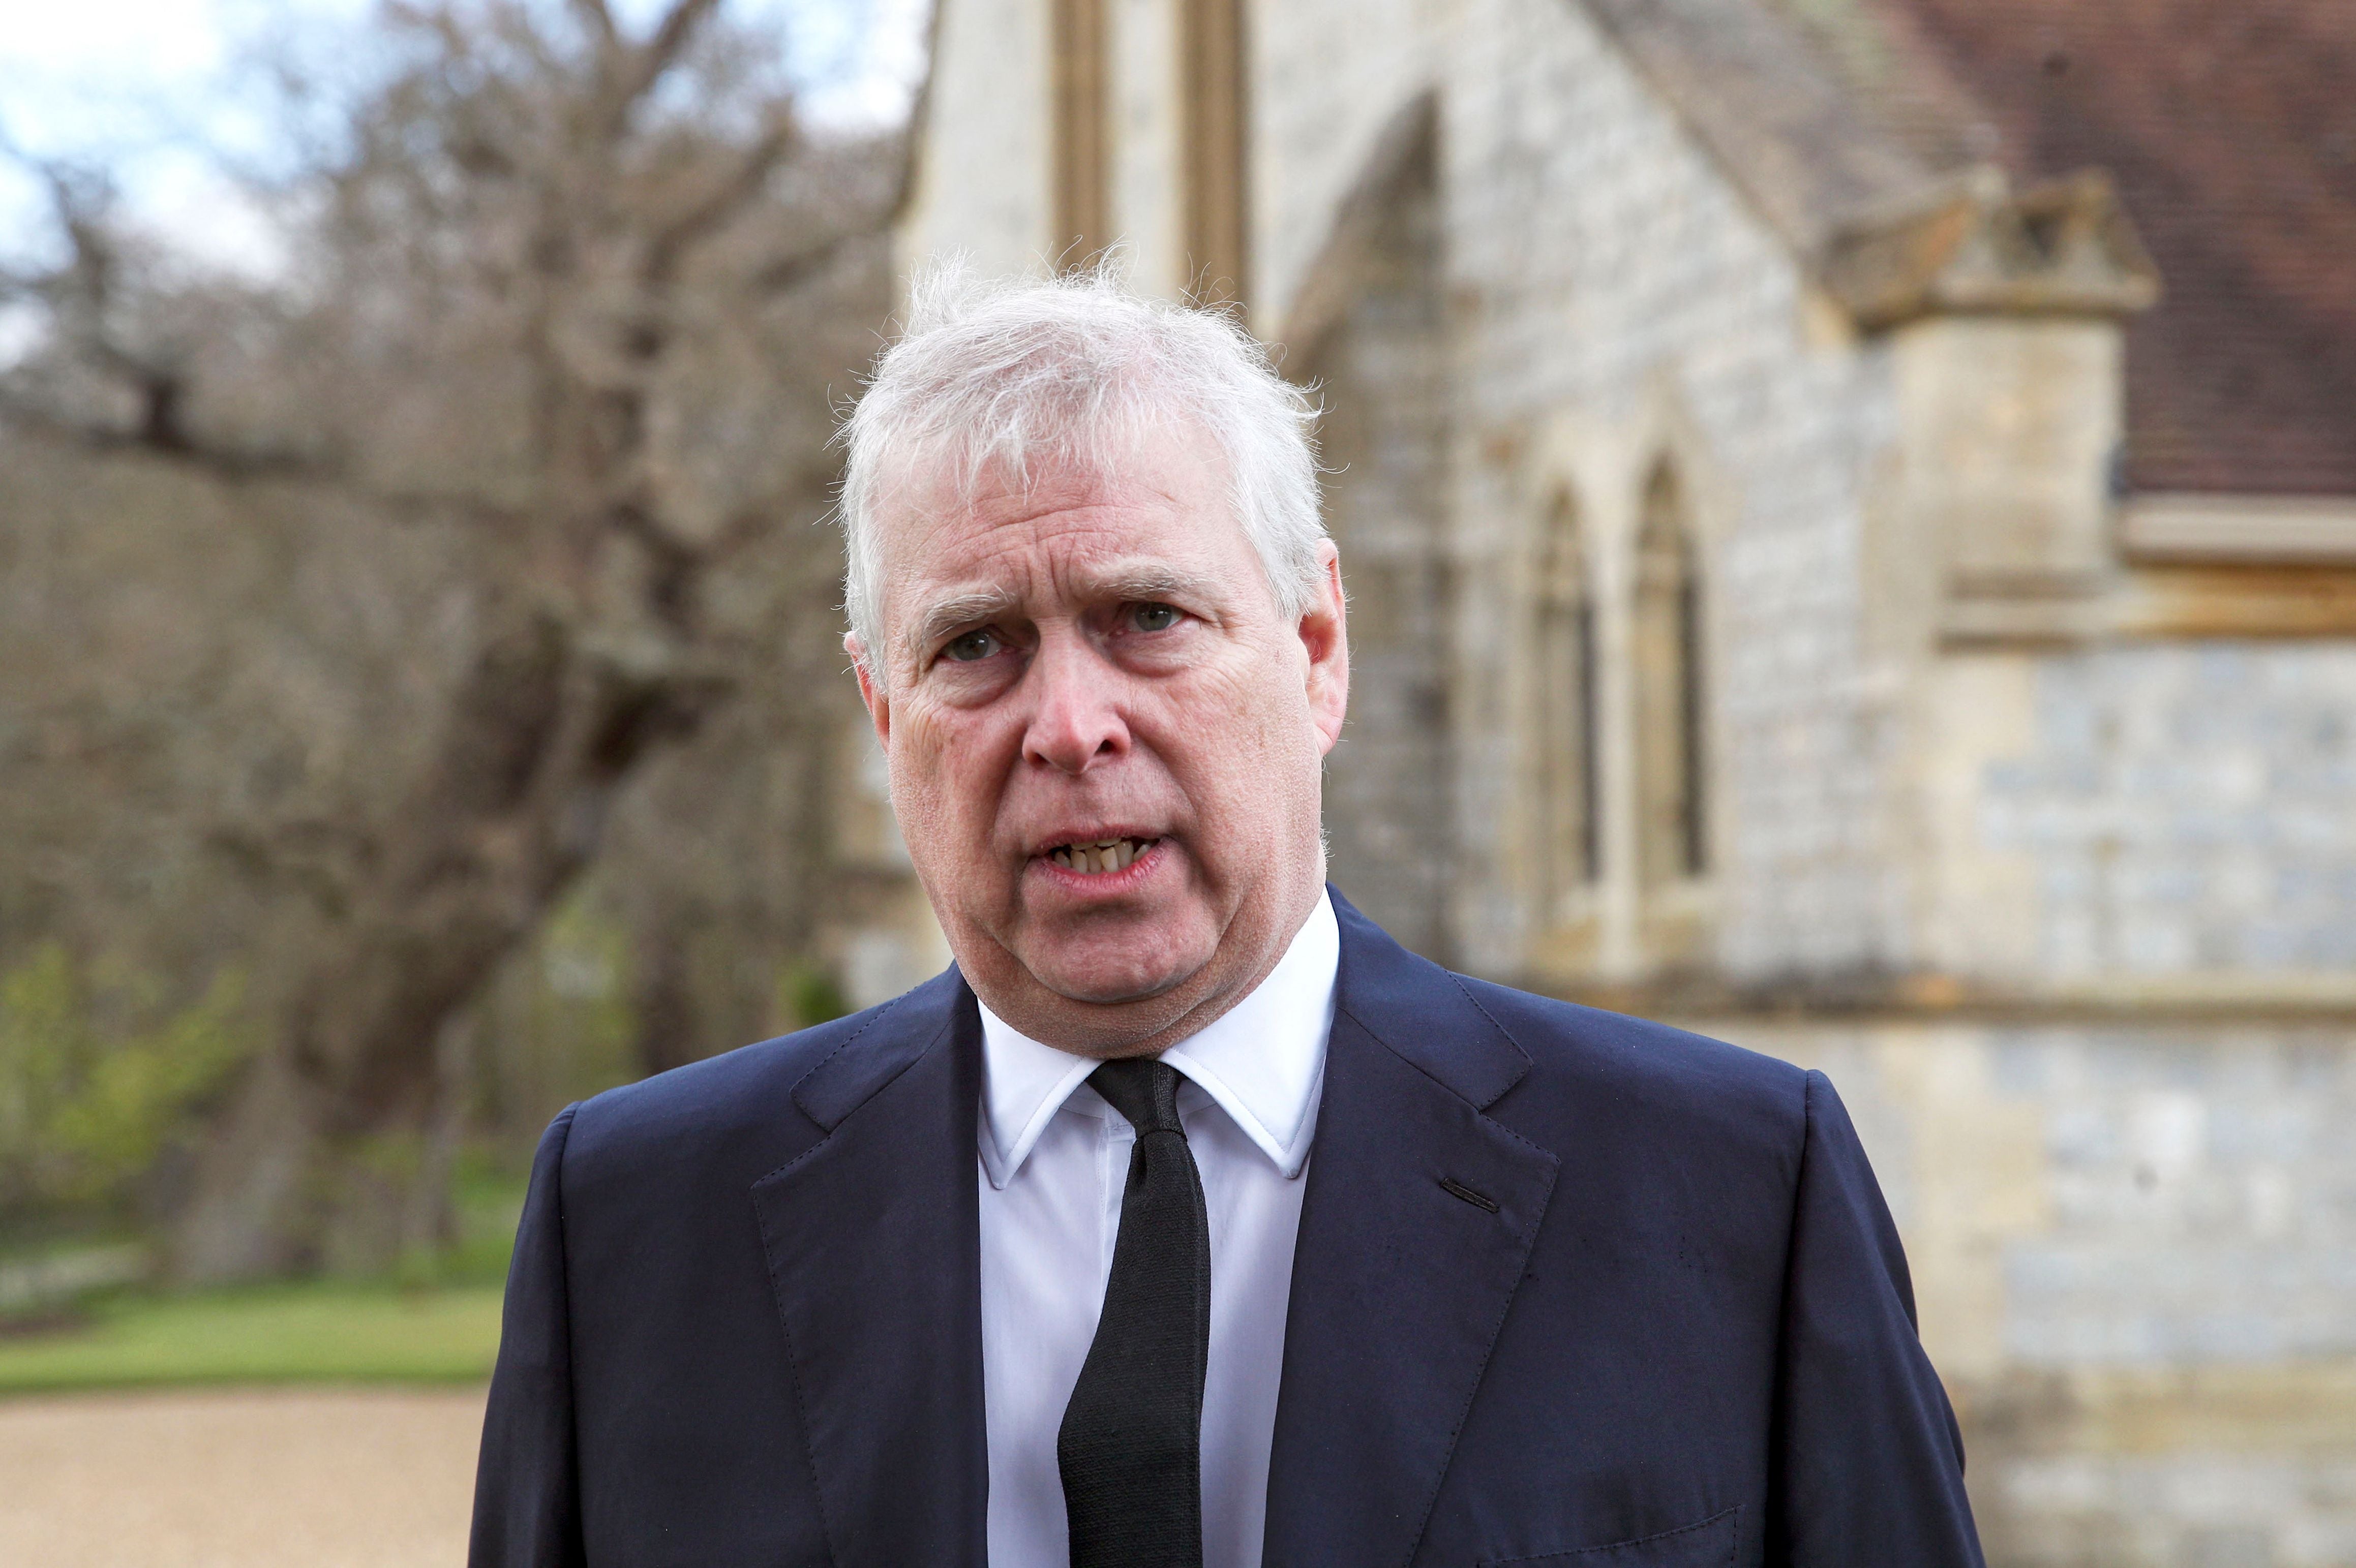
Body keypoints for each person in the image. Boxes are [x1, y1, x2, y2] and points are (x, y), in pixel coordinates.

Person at [469, 268, 1985, 1568]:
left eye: (1148, 619)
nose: (1069, 726)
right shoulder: (637, 1230)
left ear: (1316, 650)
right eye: (976, 645)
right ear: (884, 710)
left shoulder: (1726, 1193)